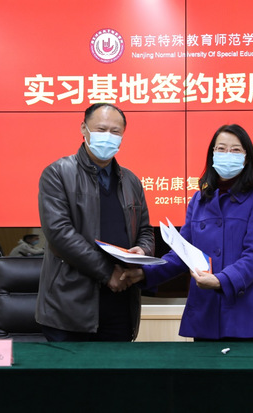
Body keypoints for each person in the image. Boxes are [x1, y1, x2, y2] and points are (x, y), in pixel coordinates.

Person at [123, 124, 253, 341]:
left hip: (244, 313)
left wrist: (221, 280)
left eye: (235, 150)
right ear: (212, 154)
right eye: (221, 149)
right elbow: (182, 254)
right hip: (206, 311)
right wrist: (145, 273)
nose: (227, 155)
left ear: (246, 158)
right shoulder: (200, 199)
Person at [36, 103, 154, 342]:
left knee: (116, 366)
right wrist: (107, 272)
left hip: (120, 301)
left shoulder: (131, 180)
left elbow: (145, 230)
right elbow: (59, 234)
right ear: (84, 128)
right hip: (69, 306)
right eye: (101, 129)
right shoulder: (58, 173)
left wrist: (143, 251)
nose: (108, 136)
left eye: (115, 131)